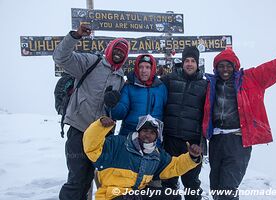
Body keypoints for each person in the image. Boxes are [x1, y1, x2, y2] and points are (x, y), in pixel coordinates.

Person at [202, 47, 276, 200]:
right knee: (216, 188)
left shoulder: (252, 78)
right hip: (216, 141)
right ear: (215, 68)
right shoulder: (210, 85)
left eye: (229, 65)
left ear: (236, 66)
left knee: (228, 189)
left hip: (238, 141)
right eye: (221, 66)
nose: (225, 69)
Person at [53, 24, 130, 200]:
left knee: (99, 179)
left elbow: (118, 110)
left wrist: (113, 104)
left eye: (122, 52)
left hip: (101, 137)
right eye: (116, 49)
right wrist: (75, 36)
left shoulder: (120, 79)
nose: (118, 53)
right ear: (110, 49)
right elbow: (60, 57)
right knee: (77, 180)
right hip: (79, 129)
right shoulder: (90, 62)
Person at [83, 114, 202, 200]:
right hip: (112, 195)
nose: (147, 135)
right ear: (138, 131)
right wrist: (99, 126)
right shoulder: (118, 144)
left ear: (157, 137)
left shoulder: (156, 155)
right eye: (145, 130)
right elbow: (91, 147)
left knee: (172, 195)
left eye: (152, 133)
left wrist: (192, 157)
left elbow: (174, 166)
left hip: (137, 195)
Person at [160, 46, 207, 200]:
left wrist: (201, 142)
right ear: (183, 61)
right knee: (168, 182)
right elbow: (152, 84)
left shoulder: (205, 85)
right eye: (187, 60)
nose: (189, 64)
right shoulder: (170, 79)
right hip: (170, 140)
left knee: (191, 184)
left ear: (197, 63)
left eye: (193, 61)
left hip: (191, 143)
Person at [104, 54, 167, 137]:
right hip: (130, 136)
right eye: (141, 67)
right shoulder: (129, 87)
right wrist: (114, 105)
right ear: (137, 69)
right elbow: (119, 114)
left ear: (152, 69)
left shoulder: (161, 88)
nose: (144, 70)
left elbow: (167, 112)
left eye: (147, 67)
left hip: (152, 138)